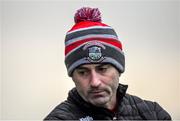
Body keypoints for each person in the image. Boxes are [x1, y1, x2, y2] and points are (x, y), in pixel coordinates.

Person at [44, 7, 171, 120]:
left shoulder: (154, 114)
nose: (95, 82)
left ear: (119, 68)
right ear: (72, 76)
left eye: (102, 69)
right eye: (83, 72)